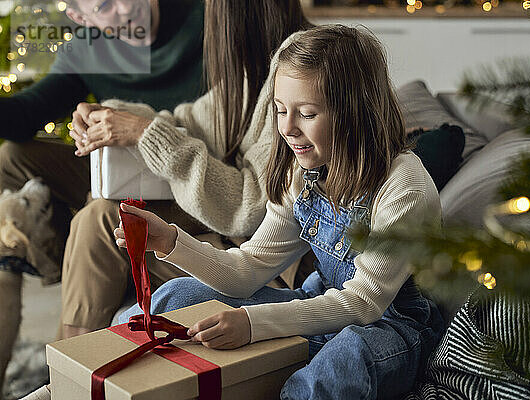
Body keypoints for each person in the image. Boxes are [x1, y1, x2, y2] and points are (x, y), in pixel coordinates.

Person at [114, 25, 446, 399]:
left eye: (306, 114)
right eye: (280, 110)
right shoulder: (301, 173)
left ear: (355, 111)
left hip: (390, 329)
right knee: (176, 297)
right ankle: (93, 379)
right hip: (318, 305)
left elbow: (363, 303)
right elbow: (247, 270)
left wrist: (253, 324)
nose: (287, 128)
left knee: (343, 362)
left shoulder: (405, 187)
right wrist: (172, 241)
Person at [0, 0, 205, 395]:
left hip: (188, 175)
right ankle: (57, 256)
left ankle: (65, 375)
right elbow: (28, 113)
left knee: (100, 214)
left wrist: (141, 127)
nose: (127, 8)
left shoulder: (202, 18)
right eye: (105, 5)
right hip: (123, 174)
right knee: (11, 158)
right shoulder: (88, 45)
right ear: (80, 17)